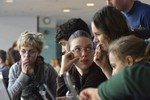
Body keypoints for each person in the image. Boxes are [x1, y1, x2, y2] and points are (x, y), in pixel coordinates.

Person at [79, 35, 150, 100]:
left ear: (129, 61)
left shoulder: (144, 71)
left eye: (114, 66)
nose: (112, 73)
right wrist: (104, 67)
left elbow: (128, 77)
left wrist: (98, 93)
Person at [7, 31, 57, 100]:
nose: (27, 55)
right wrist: (23, 75)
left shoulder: (47, 69)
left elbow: (56, 95)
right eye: (23, 51)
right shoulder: (15, 68)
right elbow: (10, 97)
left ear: (38, 52)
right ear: (19, 51)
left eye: (32, 51)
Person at [57, 30, 107, 96]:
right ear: (70, 54)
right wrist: (63, 71)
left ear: (93, 51)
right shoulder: (70, 71)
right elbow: (59, 96)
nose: (84, 54)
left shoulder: (99, 71)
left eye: (88, 48)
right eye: (78, 49)